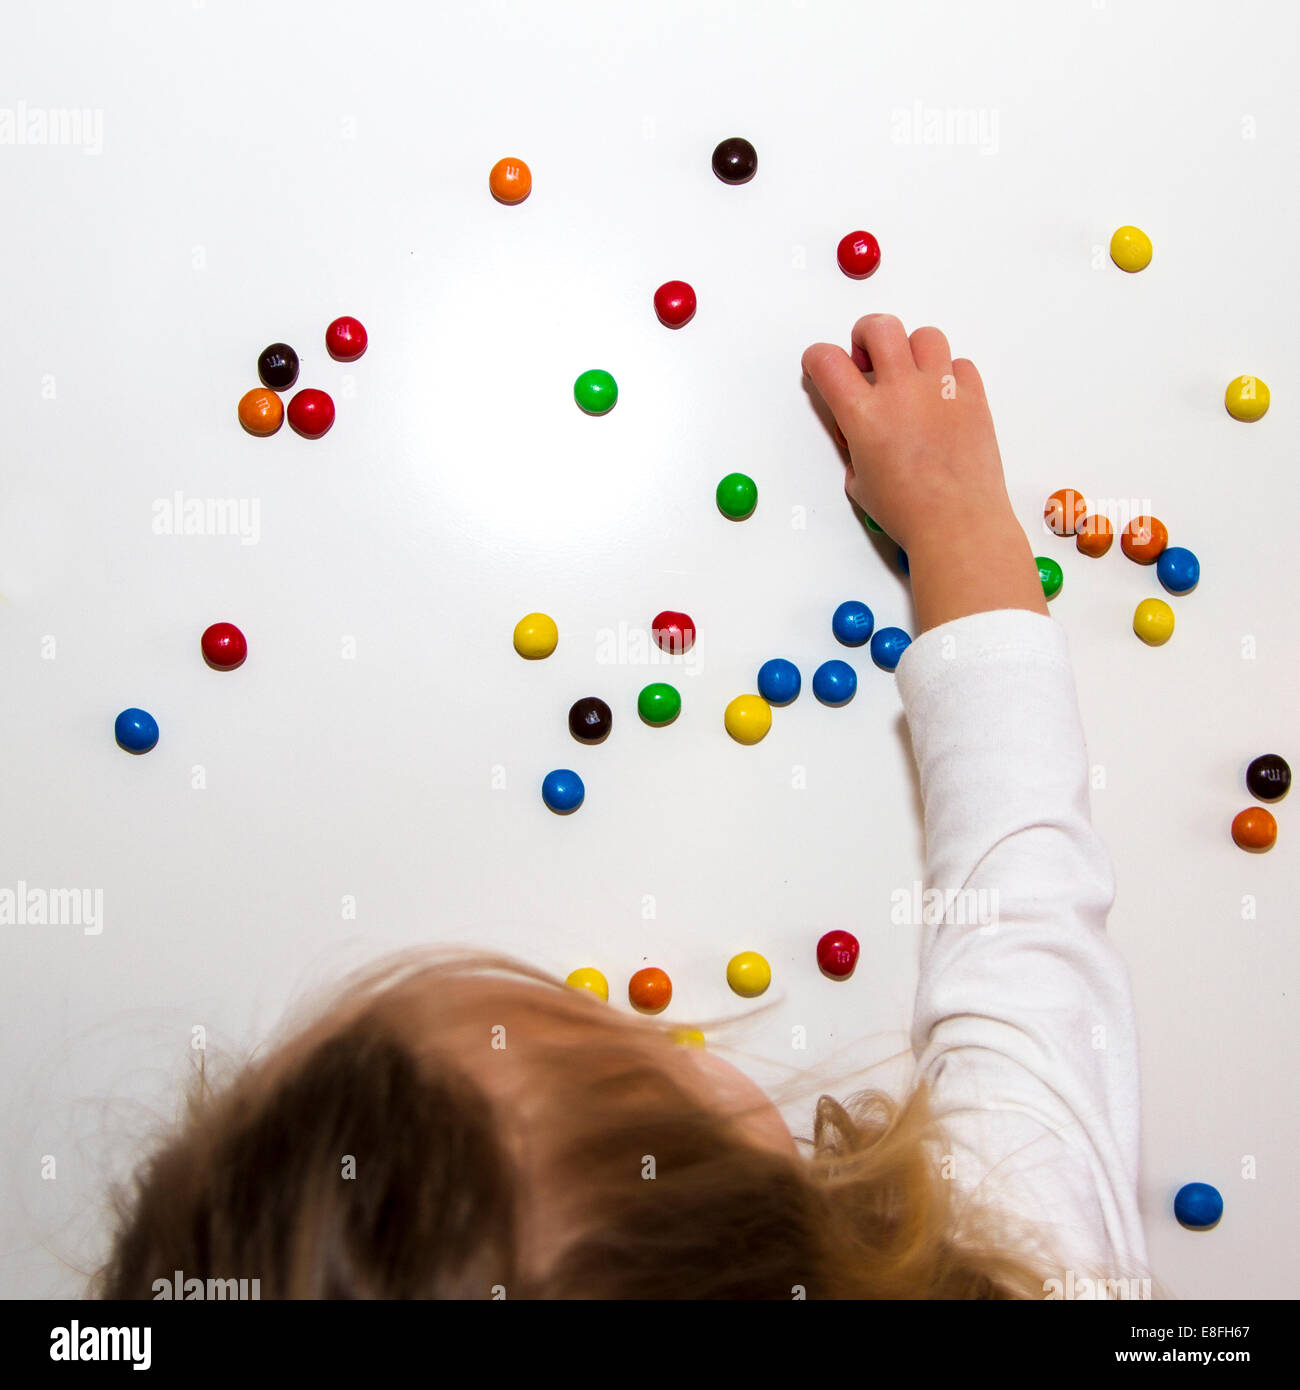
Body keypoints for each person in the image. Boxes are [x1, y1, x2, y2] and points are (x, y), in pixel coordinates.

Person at [97, 314, 1147, 1299]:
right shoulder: (1029, 1261)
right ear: (749, 1219)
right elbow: (1025, 904)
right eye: (626, 1054)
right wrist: (958, 515)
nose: (625, 1014)